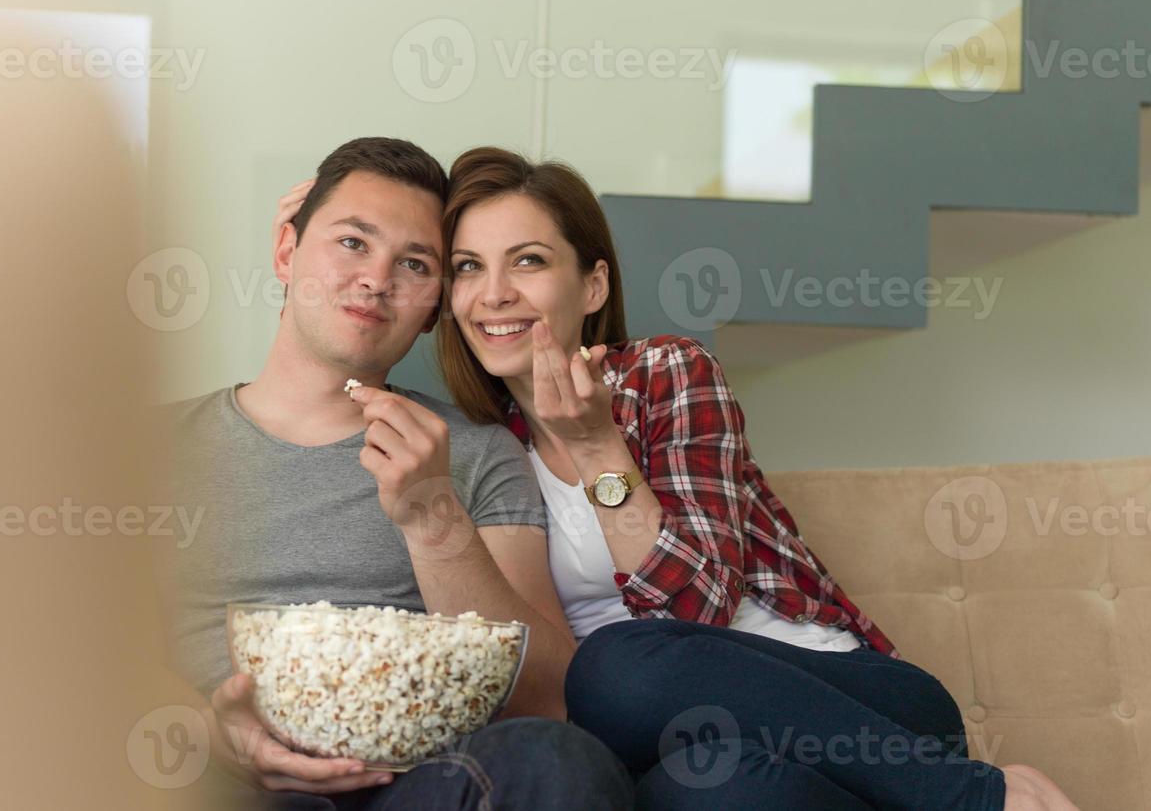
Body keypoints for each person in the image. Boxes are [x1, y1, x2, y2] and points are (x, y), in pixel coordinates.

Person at [425, 145, 1081, 811]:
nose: (494, 292)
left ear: (591, 286)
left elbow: (697, 609)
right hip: (686, 750)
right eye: (468, 267)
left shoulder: (665, 374)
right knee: (715, 789)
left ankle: (978, 800)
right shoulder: (480, 452)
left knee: (612, 666)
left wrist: (596, 446)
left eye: (528, 260)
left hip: (858, 704)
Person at [163, 138, 632, 810]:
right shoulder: (149, 447)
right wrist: (205, 733)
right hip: (211, 784)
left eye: (413, 263)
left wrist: (434, 519)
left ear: (436, 303)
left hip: (417, 788)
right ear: (287, 251)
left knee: (554, 760)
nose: (377, 279)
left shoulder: (474, 452)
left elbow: (545, 699)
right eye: (352, 242)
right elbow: (70, 649)